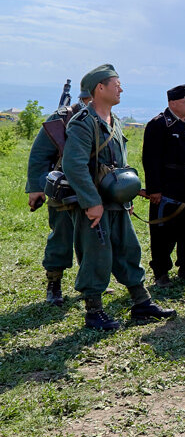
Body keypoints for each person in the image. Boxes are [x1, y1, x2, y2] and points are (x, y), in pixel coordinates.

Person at [62, 64, 175, 329]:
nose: (121, 88)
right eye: (116, 84)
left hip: (117, 202)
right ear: (100, 88)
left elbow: (119, 164)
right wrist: (92, 202)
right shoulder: (84, 122)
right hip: (96, 204)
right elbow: (74, 165)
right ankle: (94, 312)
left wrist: (126, 193)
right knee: (96, 256)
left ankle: (141, 302)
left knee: (129, 251)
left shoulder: (116, 121)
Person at [26, 85, 91, 306]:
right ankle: (54, 284)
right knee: (61, 237)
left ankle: (90, 283)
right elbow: (39, 154)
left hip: (93, 187)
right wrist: (36, 188)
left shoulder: (104, 116)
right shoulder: (62, 118)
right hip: (63, 187)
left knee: (92, 239)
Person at [142, 84, 185, 286]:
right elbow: (150, 160)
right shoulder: (158, 125)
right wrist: (154, 189)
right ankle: (161, 273)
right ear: (172, 103)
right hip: (168, 187)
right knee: (163, 233)